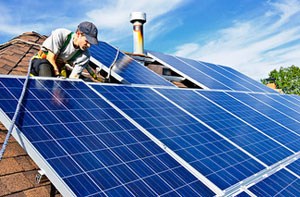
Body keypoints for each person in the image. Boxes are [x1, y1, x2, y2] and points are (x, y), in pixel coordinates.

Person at [31, 21, 102, 81]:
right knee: (45, 66)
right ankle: (45, 93)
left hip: (59, 69)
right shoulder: (61, 35)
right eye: (87, 41)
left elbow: (74, 77)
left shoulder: (85, 55)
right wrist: (57, 76)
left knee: (84, 81)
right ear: (78, 34)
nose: (89, 45)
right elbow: (50, 58)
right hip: (41, 64)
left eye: (91, 43)